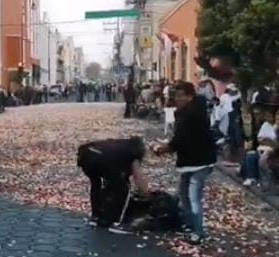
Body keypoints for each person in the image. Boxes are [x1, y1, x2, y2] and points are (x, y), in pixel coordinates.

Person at [152, 82, 216, 245]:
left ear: (190, 96)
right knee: (184, 195)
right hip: (190, 161)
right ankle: (190, 224)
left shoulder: (191, 114)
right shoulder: (186, 111)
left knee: (193, 197)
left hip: (199, 161)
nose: (178, 99)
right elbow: (181, 138)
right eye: (176, 95)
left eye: (182, 95)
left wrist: (164, 148)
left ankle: (198, 232)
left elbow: (181, 139)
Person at [77, 136, 151, 234]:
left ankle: (97, 216)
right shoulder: (134, 152)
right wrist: (145, 193)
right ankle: (116, 222)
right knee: (123, 188)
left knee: (96, 184)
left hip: (86, 155)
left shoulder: (119, 145)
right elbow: (137, 176)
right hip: (104, 160)